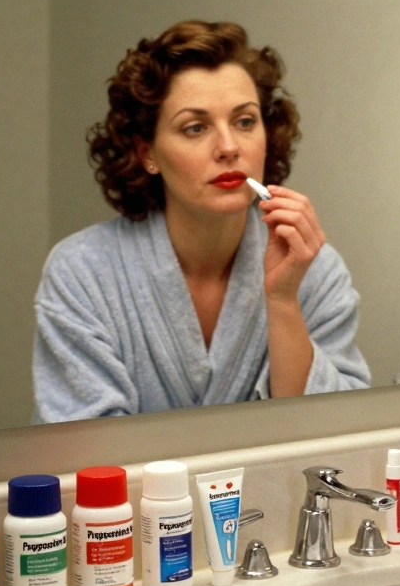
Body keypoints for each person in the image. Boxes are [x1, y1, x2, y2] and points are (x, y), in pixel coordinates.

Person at [33, 21, 369, 423]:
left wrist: (282, 302)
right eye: (195, 127)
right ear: (147, 153)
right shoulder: (83, 271)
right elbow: (85, 455)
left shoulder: (313, 267)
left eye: (245, 122)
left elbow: (335, 433)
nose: (229, 148)